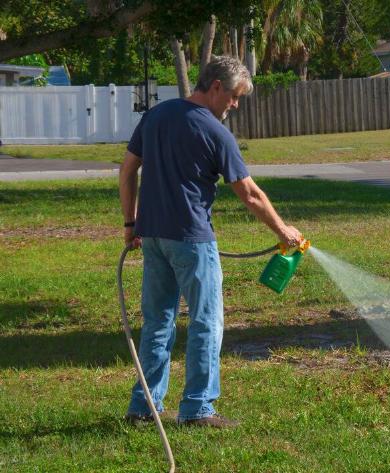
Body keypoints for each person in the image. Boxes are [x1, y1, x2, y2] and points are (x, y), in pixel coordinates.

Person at [118, 55, 303, 429]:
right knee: (206, 322)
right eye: (234, 96)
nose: (235, 105)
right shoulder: (215, 132)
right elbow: (249, 194)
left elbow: (127, 171)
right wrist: (285, 232)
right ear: (216, 86)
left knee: (158, 322)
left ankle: (144, 408)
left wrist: (130, 222)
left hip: (152, 236)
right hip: (191, 241)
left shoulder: (156, 115)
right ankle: (198, 408)